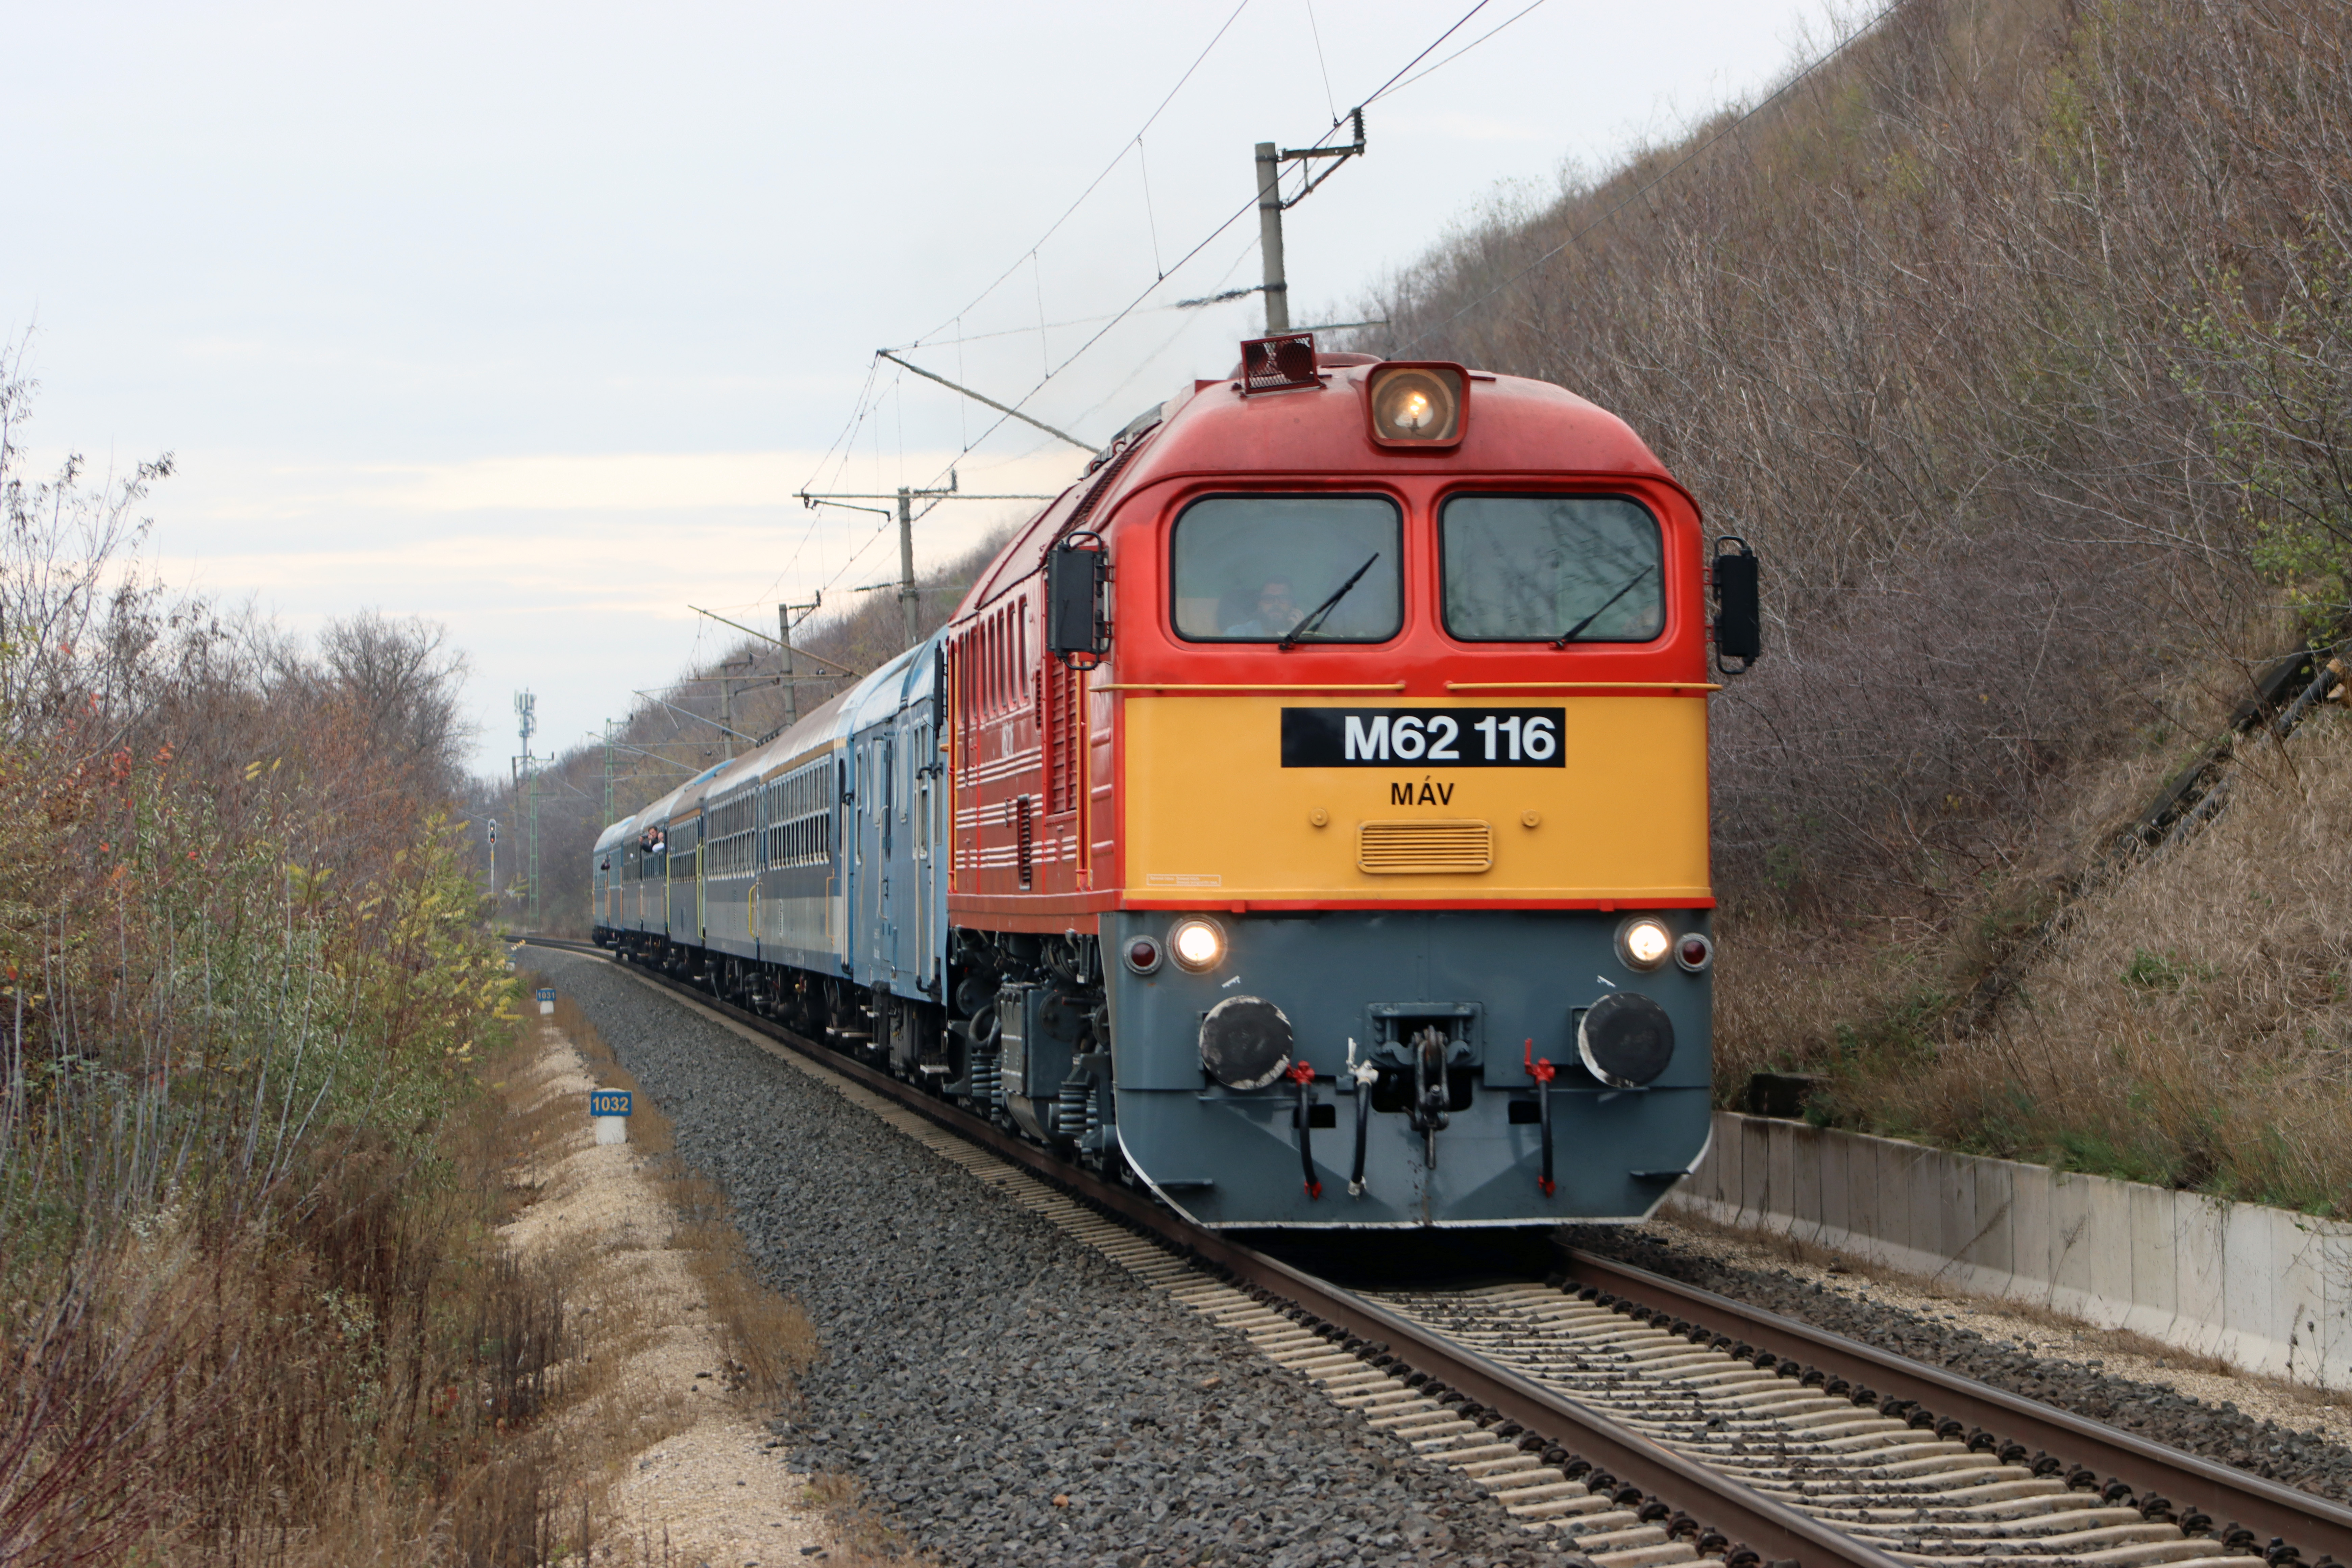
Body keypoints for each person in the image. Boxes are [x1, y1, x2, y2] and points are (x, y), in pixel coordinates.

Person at [1225, 577, 1302, 637]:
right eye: (1269, 598)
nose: (1276, 604)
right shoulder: (1237, 635)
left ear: (1292, 604)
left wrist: (1299, 634)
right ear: (1260, 604)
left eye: (1283, 598)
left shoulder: (1307, 637)